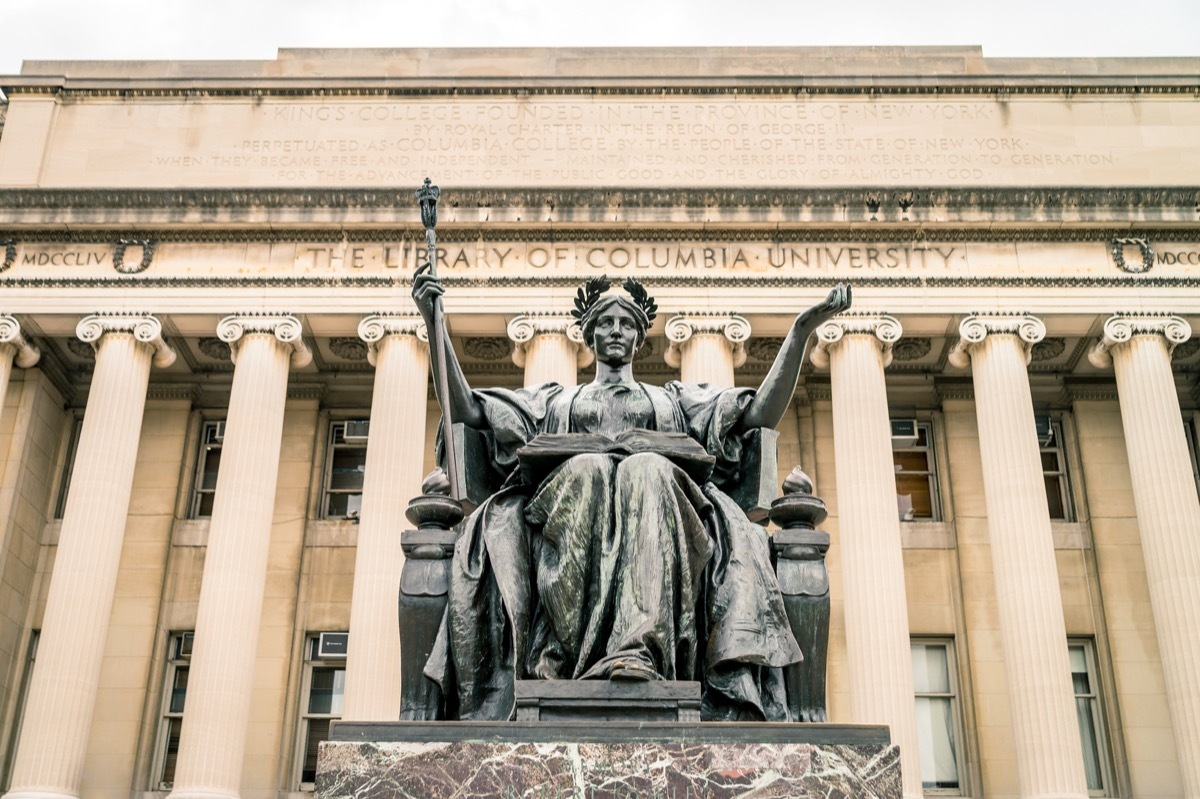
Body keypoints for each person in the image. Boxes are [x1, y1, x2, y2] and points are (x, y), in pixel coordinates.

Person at [412, 269, 851, 721]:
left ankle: (638, 650)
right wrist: (434, 323)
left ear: (640, 338)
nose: (616, 331)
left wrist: (800, 330)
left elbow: (757, 413)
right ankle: (563, 659)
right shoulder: (554, 402)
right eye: (605, 323)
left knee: (646, 469)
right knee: (588, 469)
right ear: (589, 334)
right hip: (572, 499)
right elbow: (469, 411)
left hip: (662, 502)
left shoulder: (674, 402)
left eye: (626, 324)